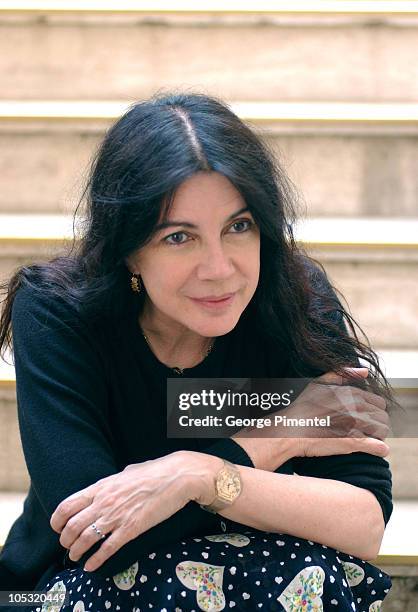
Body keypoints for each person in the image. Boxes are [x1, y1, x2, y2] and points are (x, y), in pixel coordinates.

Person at [0, 92, 397, 611]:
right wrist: (269, 441)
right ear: (128, 250)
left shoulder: (297, 298)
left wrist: (202, 475)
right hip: (64, 585)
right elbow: (94, 535)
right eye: (179, 237)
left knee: (298, 574)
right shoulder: (56, 312)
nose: (220, 269)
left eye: (239, 227)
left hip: (253, 577)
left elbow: (364, 522)